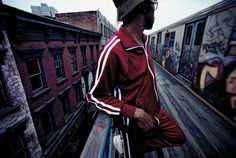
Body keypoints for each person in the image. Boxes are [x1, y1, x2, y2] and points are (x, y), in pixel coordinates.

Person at [87, 0, 186, 157]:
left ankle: (133, 147)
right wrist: (134, 112)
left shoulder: (144, 41)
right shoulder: (113, 51)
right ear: (144, 7)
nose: (155, 10)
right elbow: (94, 96)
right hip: (134, 125)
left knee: (178, 136)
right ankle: (129, 146)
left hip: (155, 112)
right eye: (154, 5)